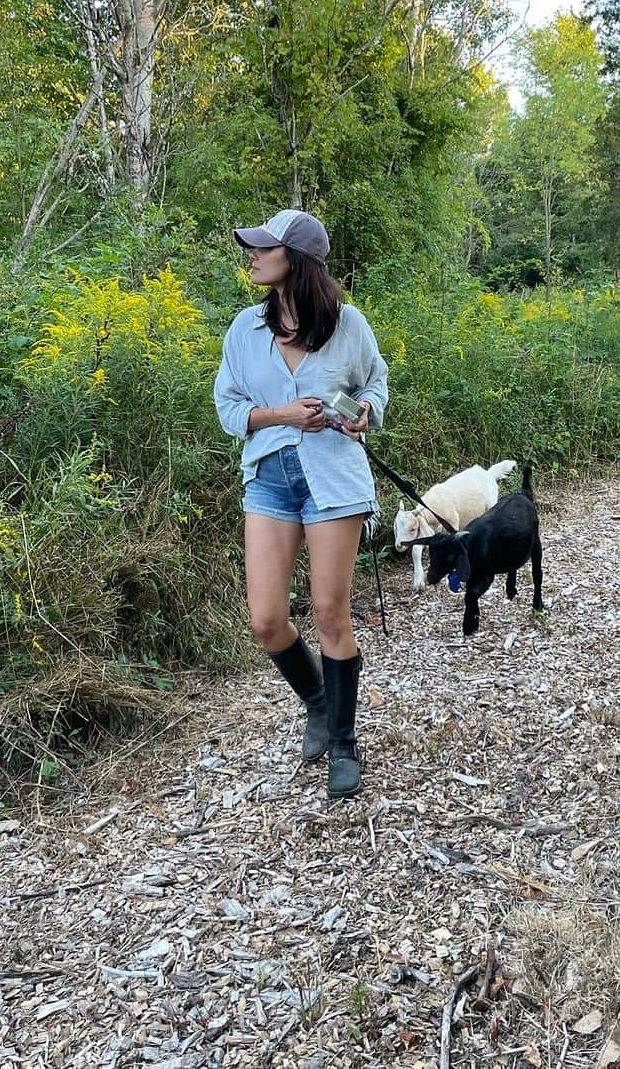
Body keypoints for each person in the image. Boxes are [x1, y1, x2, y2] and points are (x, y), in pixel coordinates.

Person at [214, 209, 389, 799]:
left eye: (265, 248)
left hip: (334, 480)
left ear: (299, 261)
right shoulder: (244, 329)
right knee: (266, 619)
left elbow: (374, 383)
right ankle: (317, 700)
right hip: (269, 478)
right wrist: (280, 416)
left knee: (329, 614)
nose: (253, 255)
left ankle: (343, 742)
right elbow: (229, 407)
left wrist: (368, 413)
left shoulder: (349, 325)